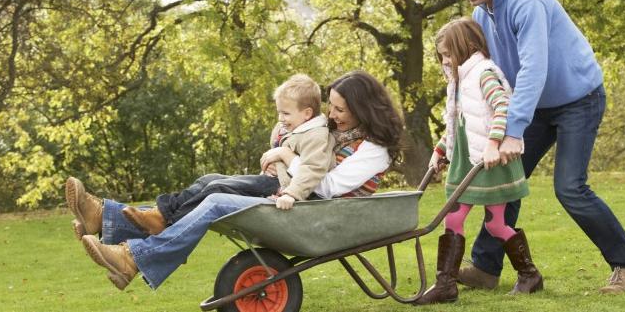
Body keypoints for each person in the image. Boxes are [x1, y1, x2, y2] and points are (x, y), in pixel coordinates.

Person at [65, 70, 404, 290]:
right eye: (331, 107)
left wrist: (287, 157)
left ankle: (132, 254)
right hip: (297, 202)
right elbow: (304, 142)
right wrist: (284, 140)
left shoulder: (374, 149)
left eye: (340, 110)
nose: (332, 115)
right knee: (212, 179)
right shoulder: (338, 133)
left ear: (364, 109)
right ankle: (110, 220)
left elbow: (326, 186)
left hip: (314, 212)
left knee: (216, 201)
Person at [445, 0, 625, 294]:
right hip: (533, 104)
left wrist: (512, 131)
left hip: (578, 99)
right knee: (504, 180)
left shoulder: (527, 2)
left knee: (569, 187)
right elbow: (493, 74)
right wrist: (487, 124)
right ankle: (486, 269)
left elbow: (534, 70)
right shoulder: (480, 14)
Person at [414, 18, 541, 306]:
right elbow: (459, 124)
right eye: (442, 56)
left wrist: (494, 145)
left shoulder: (484, 73)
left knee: (496, 224)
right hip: (466, 159)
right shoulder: (458, 79)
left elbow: (503, 108)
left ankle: (529, 275)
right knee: (454, 216)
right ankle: (445, 285)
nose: (445, 60)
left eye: (448, 54)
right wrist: (440, 150)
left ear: (467, 46)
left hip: (489, 162)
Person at [116, 73, 337, 236]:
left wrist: (292, 194)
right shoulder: (294, 127)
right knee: (208, 179)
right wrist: (275, 153)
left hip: (282, 189)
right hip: (270, 179)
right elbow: (279, 147)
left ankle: (168, 224)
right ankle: (159, 214)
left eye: (285, 113)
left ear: (307, 113)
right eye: (278, 112)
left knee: (217, 189)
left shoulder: (316, 135)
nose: (280, 118)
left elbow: (312, 169)